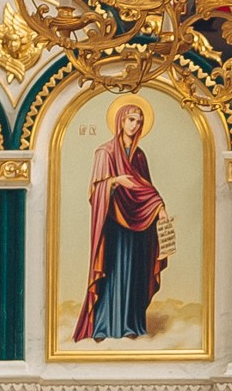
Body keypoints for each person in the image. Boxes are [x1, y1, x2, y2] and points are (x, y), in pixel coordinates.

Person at [73, 97, 171, 341]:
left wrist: (159, 206)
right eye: (131, 120)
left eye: (139, 121)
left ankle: (131, 325)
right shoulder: (104, 152)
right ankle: (105, 325)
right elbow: (96, 191)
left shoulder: (139, 157)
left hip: (138, 228)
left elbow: (146, 189)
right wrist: (115, 181)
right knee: (113, 271)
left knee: (135, 273)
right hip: (114, 226)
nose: (134, 126)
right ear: (120, 121)